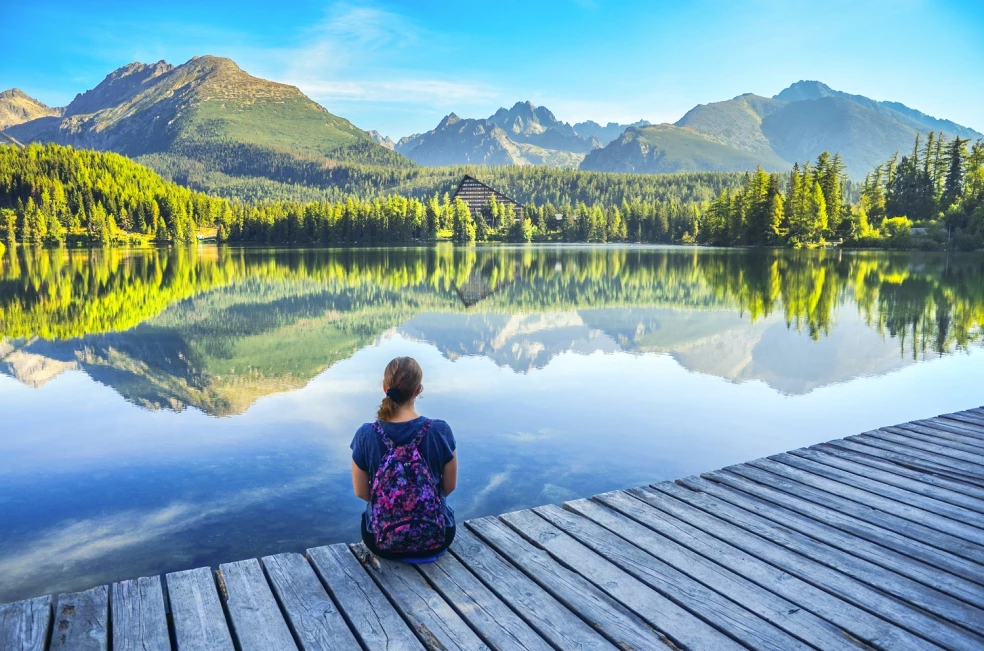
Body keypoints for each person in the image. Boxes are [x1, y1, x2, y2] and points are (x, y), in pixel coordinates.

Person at [351, 356, 457, 562]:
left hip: (381, 541)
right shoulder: (440, 430)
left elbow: (362, 492)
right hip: (437, 538)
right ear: (418, 390)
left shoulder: (366, 434)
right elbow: (449, 486)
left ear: (384, 387)